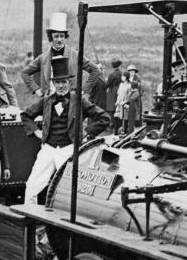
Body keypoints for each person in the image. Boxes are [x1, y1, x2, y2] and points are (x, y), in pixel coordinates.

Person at [21, 56, 110, 204]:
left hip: (69, 149)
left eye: (63, 82)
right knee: (32, 185)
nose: (61, 85)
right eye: (57, 82)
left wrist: (87, 132)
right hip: (48, 148)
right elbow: (25, 115)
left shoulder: (79, 101)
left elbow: (104, 118)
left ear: (69, 82)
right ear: (53, 83)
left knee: (68, 189)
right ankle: (31, 220)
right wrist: (36, 131)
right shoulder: (47, 101)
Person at [21, 12, 101, 98]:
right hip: (49, 101)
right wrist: (36, 90)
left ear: (65, 37)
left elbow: (96, 70)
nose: (59, 40)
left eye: (62, 36)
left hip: (71, 100)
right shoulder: (43, 58)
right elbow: (24, 73)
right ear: (51, 38)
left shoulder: (75, 55)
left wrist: (83, 90)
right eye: (56, 36)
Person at [105, 59, 122, 132]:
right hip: (119, 90)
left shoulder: (112, 74)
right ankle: (118, 124)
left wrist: (105, 87)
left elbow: (108, 84)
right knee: (117, 107)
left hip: (112, 91)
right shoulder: (121, 73)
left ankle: (112, 124)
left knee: (111, 108)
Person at [124, 65, 142, 134]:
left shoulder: (137, 79)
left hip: (134, 98)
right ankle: (126, 128)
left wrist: (136, 94)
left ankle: (136, 126)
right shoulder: (127, 79)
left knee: (135, 113)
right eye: (130, 71)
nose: (131, 73)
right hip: (128, 97)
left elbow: (140, 89)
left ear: (135, 72)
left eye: (133, 71)